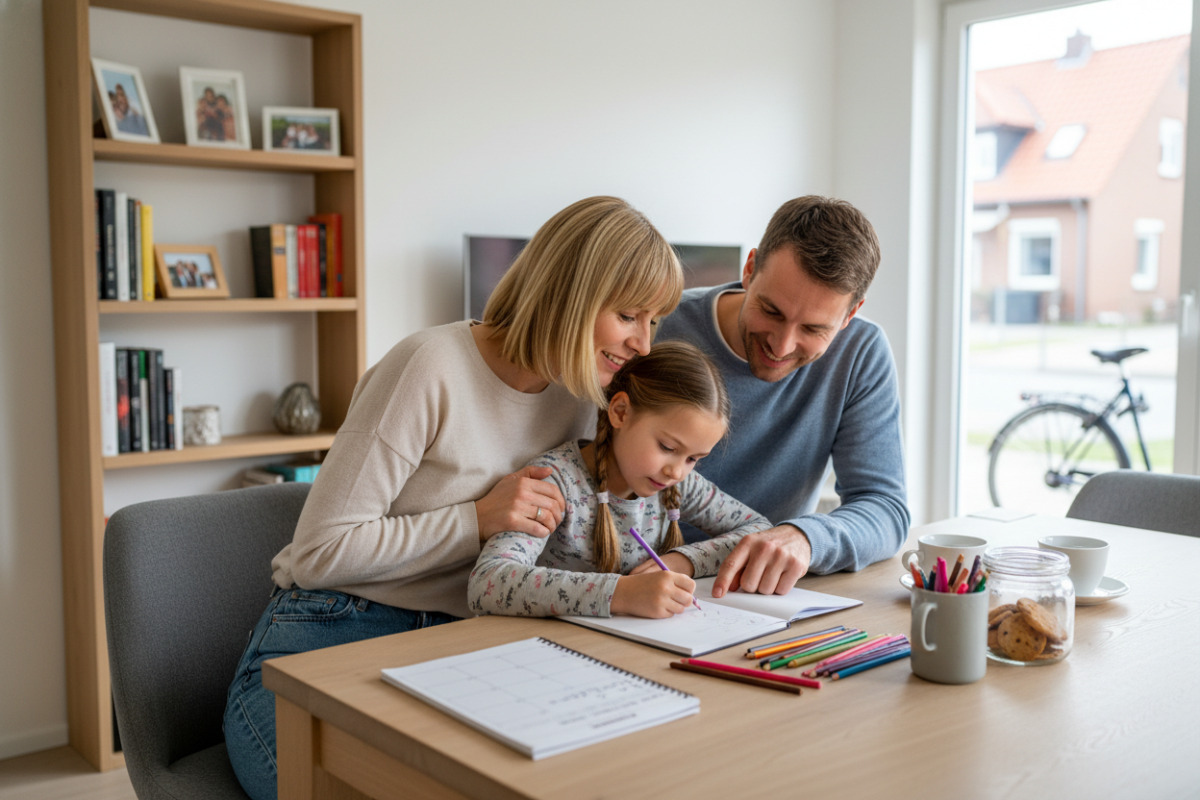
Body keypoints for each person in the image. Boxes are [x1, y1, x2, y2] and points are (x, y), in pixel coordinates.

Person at [223, 195, 683, 800]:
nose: (643, 344)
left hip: (467, 641)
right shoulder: (428, 367)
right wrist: (477, 519)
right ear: (571, 295)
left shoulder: (584, 395)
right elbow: (318, 552)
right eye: (629, 316)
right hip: (333, 631)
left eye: (654, 321)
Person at [656, 195, 909, 599]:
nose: (782, 344)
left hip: (755, 594)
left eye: (813, 329)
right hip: (639, 579)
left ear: (850, 314)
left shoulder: (861, 353)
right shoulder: (655, 325)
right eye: (771, 311)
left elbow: (884, 508)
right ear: (751, 268)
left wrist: (805, 537)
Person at [469, 340, 772, 619]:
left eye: (693, 459)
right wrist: (621, 593)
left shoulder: (677, 486)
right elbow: (488, 583)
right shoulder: (556, 482)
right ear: (621, 412)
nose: (677, 472)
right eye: (667, 448)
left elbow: (760, 533)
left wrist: (686, 561)